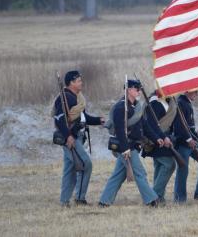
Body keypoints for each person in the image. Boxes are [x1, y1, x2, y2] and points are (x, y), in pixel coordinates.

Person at [98, 79, 164, 207]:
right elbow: (120, 130)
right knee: (140, 173)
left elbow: (145, 125)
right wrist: (125, 149)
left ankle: (104, 201)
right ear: (128, 90)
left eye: (139, 88)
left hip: (133, 145)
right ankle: (151, 200)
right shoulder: (120, 107)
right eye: (136, 88)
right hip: (126, 146)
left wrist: (156, 138)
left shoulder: (136, 107)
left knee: (118, 176)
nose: (139, 91)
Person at [52, 70, 104, 207]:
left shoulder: (77, 98)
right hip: (71, 139)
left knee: (69, 170)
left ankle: (64, 201)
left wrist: (99, 120)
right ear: (71, 83)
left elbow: (83, 117)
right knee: (86, 164)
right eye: (79, 81)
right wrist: (68, 136)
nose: (81, 83)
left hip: (77, 137)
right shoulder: (65, 98)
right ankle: (80, 198)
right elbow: (59, 119)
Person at [172, 90, 198, 202]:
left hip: (193, 142)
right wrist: (189, 139)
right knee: (183, 170)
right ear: (186, 91)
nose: (197, 94)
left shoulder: (186, 102)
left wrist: (194, 135)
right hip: (183, 143)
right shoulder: (180, 103)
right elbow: (178, 125)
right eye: (194, 92)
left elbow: (188, 125)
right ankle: (180, 199)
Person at [143, 92, 176, 203]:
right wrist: (163, 137)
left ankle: (159, 197)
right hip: (157, 139)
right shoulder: (155, 103)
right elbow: (151, 125)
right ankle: (155, 196)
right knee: (169, 164)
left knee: (159, 166)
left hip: (163, 137)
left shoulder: (167, 101)